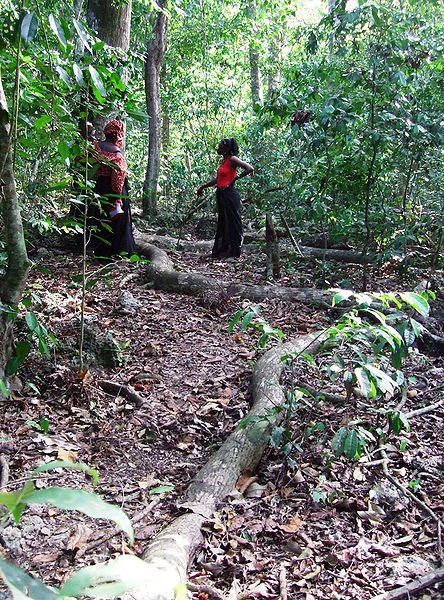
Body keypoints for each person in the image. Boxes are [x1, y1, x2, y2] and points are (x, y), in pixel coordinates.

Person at [197, 138, 254, 260]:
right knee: (223, 222)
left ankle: (235, 253)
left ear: (226, 148)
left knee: (234, 223)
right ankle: (222, 251)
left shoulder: (233, 159)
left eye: (220, 146)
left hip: (230, 194)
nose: (217, 148)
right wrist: (203, 187)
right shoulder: (224, 161)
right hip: (221, 194)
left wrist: (235, 179)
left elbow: (249, 168)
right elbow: (218, 180)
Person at [88, 119, 136, 257]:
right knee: (118, 221)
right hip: (115, 190)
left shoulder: (95, 147)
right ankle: (120, 252)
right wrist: (118, 197)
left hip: (99, 188)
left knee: (101, 218)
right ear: (118, 134)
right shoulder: (117, 155)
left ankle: (102, 252)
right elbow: (118, 178)